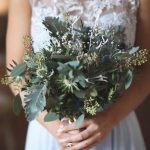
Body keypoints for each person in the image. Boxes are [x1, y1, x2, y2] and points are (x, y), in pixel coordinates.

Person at [6, 0, 150, 150]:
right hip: (51, 129)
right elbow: (16, 75)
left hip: (116, 125)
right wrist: (57, 129)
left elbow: (146, 70)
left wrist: (109, 119)